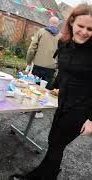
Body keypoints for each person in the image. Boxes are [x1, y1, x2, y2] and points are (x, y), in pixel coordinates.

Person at [10, 4, 92, 180]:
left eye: (90, 29)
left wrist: (91, 120)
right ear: (71, 22)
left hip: (81, 109)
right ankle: (48, 174)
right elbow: (63, 71)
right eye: (81, 26)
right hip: (62, 103)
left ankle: (38, 176)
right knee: (53, 142)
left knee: (56, 144)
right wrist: (51, 90)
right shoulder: (64, 43)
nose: (84, 32)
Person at [26, 16, 62, 119]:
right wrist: (57, 65)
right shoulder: (61, 37)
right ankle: (38, 111)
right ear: (58, 24)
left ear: (49, 22)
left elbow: (32, 48)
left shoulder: (41, 32)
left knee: (32, 85)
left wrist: (29, 61)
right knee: (45, 89)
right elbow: (62, 53)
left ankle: (27, 107)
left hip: (38, 64)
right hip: (51, 68)